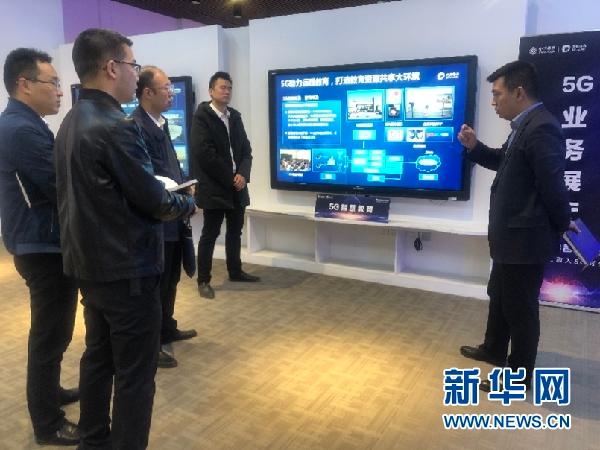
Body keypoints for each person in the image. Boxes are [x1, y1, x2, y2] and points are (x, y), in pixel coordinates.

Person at [54, 28, 197, 450]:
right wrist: (187, 203)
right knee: (136, 374)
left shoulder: (71, 121)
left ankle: (93, 440)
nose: (137, 73)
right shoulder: (116, 126)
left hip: (89, 266)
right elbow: (153, 200)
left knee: (98, 358)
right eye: (133, 65)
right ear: (112, 67)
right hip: (127, 269)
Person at [457, 60, 578, 391]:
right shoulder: (524, 126)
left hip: (525, 242)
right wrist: (474, 148)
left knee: (520, 309)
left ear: (519, 92)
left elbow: (552, 185)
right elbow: (504, 162)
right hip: (511, 239)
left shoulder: (542, 128)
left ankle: (519, 375)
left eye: (497, 94)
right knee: (499, 295)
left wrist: (563, 221)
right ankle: (494, 349)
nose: (493, 102)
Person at [0, 48, 79, 446]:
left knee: (56, 331)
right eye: (54, 83)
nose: (60, 91)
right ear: (25, 84)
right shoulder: (20, 129)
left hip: (43, 240)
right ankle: (47, 423)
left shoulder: (26, 123)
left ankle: (50, 392)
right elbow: (58, 184)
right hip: (41, 246)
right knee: (49, 334)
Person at [132, 66, 198, 369]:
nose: (172, 94)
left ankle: (167, 327)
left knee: (171, 276)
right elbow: (150, 175)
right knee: (157, 284)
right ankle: (153, 342)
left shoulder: (161, 123)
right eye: (166, 88)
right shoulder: (136, 127)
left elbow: (171, 166)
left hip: (173, 212)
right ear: (147, 93)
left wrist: (185, 184)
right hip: (158, 216)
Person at [190, 71, 259, 299]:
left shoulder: (235, 117)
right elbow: (205, 155)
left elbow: (246, 151)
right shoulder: (202, 117)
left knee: (235, 232)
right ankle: (203, 280)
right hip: (215, 187)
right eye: (222, 87)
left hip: (237, 186)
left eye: (229, 88)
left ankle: (235, 271)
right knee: (210, 234)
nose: (227, 91)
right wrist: (231, 177)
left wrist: (242, 175)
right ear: (211, 91)